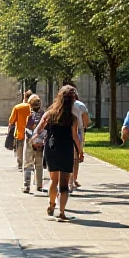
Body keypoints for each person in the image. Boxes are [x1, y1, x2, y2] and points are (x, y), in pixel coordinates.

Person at [34, 85, 82, 221]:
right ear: (72, 101)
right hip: (66, 149)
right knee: (64, 184)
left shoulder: (49, 114)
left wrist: (41, 136)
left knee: (53, 180)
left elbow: (38, 130)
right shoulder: (73, 118)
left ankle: (51, 203)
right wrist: (80, 152)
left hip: (52, 148)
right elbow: (75, 136)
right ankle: (62, 213)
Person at [23, 94, 45, 193]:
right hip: (40, 143)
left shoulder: (30, 116)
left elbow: (28, 130)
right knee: (39, 164)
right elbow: (45, 129)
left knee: (28, 164)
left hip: (30, 143)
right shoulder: (44, 115)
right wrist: (41, 140)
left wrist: (32, 140)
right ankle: (39, 185)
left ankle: (27, 185)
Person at [70, 85, 90, 191]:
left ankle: (67, 179)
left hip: (63, 131)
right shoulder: (81, 105)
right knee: (76, 156)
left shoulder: (59, 105)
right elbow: (86, 121)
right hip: (77, 130)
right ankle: (73, 179)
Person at [9, 92, 32, 171]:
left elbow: (11, 120)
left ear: (24, 97)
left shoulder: (18, 107)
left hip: (20, 131)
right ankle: (29, 164)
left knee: (20, 148)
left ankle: (20, 164)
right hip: (31, 133)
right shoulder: (33, 107)